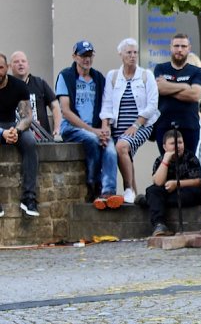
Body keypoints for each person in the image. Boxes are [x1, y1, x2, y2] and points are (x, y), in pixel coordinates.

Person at [56, 40, 122, 209]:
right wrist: (94, 131)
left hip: (96, 128)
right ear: (74, 57)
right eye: (83, 55)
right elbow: (66, 111)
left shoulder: (99, 78)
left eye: (89, 55)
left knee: (111, 149)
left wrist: (105, 129)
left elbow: (107, 106)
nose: (87, 59)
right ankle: (94, 183)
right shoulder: (65, 76)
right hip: (72, 128)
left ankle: (109, 192)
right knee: (92, 139)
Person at [101, 38, 160, 205]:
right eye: (129, 52)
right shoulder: (112, 76)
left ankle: (127, 188)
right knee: (122, 153)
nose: (133, 56)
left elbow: (152, 105)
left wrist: (136, 124)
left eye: (135, 52)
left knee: (121, 147)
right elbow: (107, 103)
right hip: (118, 126)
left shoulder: (146, 75)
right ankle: (133, 193)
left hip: (141, 125)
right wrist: (105, 126)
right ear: (121, 55)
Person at [146, 129, 201, 237]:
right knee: (152, 191)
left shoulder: (190, 157)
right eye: (173, 143)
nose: (177, 146)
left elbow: (199, 181)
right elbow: (158, 182)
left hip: (187, 192)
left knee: (155, 199)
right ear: (164, 147)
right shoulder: (160, 160)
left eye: (180, 142)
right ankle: (159, 225)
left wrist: (177, 184)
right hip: (169, 193)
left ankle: (148, 201)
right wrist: (166, 160)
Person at [0, 53, 39, 217]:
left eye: (0, 67)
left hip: (12, 126)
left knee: (30, 142)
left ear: (7, 67)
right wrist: (3, 134)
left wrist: (17, 130)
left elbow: (27, 116)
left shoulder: (18, 86)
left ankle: (29, 198)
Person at [153, 33, 201, 156]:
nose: (179, 49)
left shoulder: (197, 71)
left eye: (183, 46)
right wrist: (184, 86)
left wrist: (168, 86)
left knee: (188, 166)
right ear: (170, 47)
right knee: (166, 164)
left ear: (189, 48)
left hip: (189, 125)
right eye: (176, 46)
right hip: (164, 125)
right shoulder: (160, 68)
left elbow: (195, 95)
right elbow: (159, 88)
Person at [9, 51, 62, 141]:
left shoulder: (40, 83)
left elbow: (55, 106)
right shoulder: (7, 85)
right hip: (15, 137)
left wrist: (57, 129)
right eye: (16, 62)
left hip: (42, 137)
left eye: (23, 61)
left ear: (28, 65)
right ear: (10, 66)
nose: (20, 64)